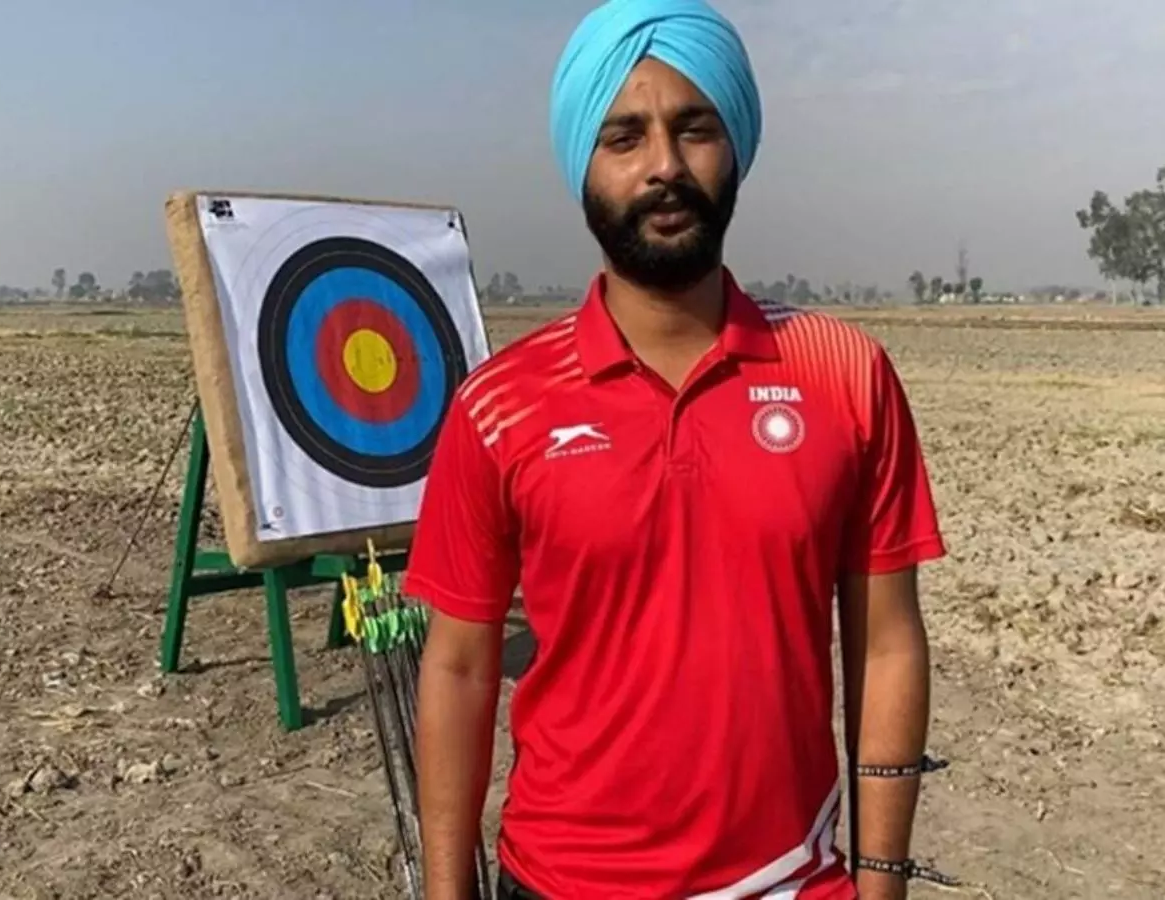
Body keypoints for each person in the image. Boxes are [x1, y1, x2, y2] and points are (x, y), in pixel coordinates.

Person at [404, 1, 948, 898]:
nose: (664, 165)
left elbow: (887, 644)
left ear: (735, 147)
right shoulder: (500, 405)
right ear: (582, 166)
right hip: (559, 882)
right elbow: (459, 667)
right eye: (624, 137)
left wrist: (881, 883)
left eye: (694, 129)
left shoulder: (847, 376)